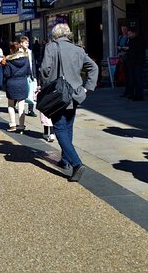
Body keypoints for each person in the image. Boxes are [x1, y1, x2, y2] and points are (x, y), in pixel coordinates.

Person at [39, 23, 98, 182]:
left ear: (55, 35)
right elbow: (93, 67)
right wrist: (87, 88)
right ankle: (65, 160)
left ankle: (76, 164)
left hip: (57, 94)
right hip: (75, 94)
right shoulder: (78, 49)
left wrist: (45, 85)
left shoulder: (51, 47)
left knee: (59, 128)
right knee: (68, 127)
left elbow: (44, 69)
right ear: (68, 34)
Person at [3, 41, 32, 133]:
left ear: (11, 50)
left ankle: (12, 124)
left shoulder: (9, 60)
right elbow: (28, 72)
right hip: (22, 82)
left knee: (11, 105)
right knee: (21, 105)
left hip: (11, 83)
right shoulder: (25, 59)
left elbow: (6, 73)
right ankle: (21, 126)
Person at [126, 28, 146, 101]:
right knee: (132, 79)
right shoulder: (131, 40)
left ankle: (139, 95)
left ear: (133, 33)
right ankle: (133, 94)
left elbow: (137, 50)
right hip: (132, 62)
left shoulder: (139, 40)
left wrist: (128, 49)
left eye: (129, 34)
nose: (129, 35)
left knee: (138, 79)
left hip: (137, 62)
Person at [20, 37, 38, 117]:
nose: (27, 44)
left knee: (32, 91)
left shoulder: (30, 52)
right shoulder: (18, 52)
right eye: (25, 43)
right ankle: (19, 106)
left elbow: (33, 63)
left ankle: (31, 110)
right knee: (22, 91)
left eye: (28, 43)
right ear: (21, 43)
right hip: (21, 75)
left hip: (30, 74)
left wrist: (34, 75)